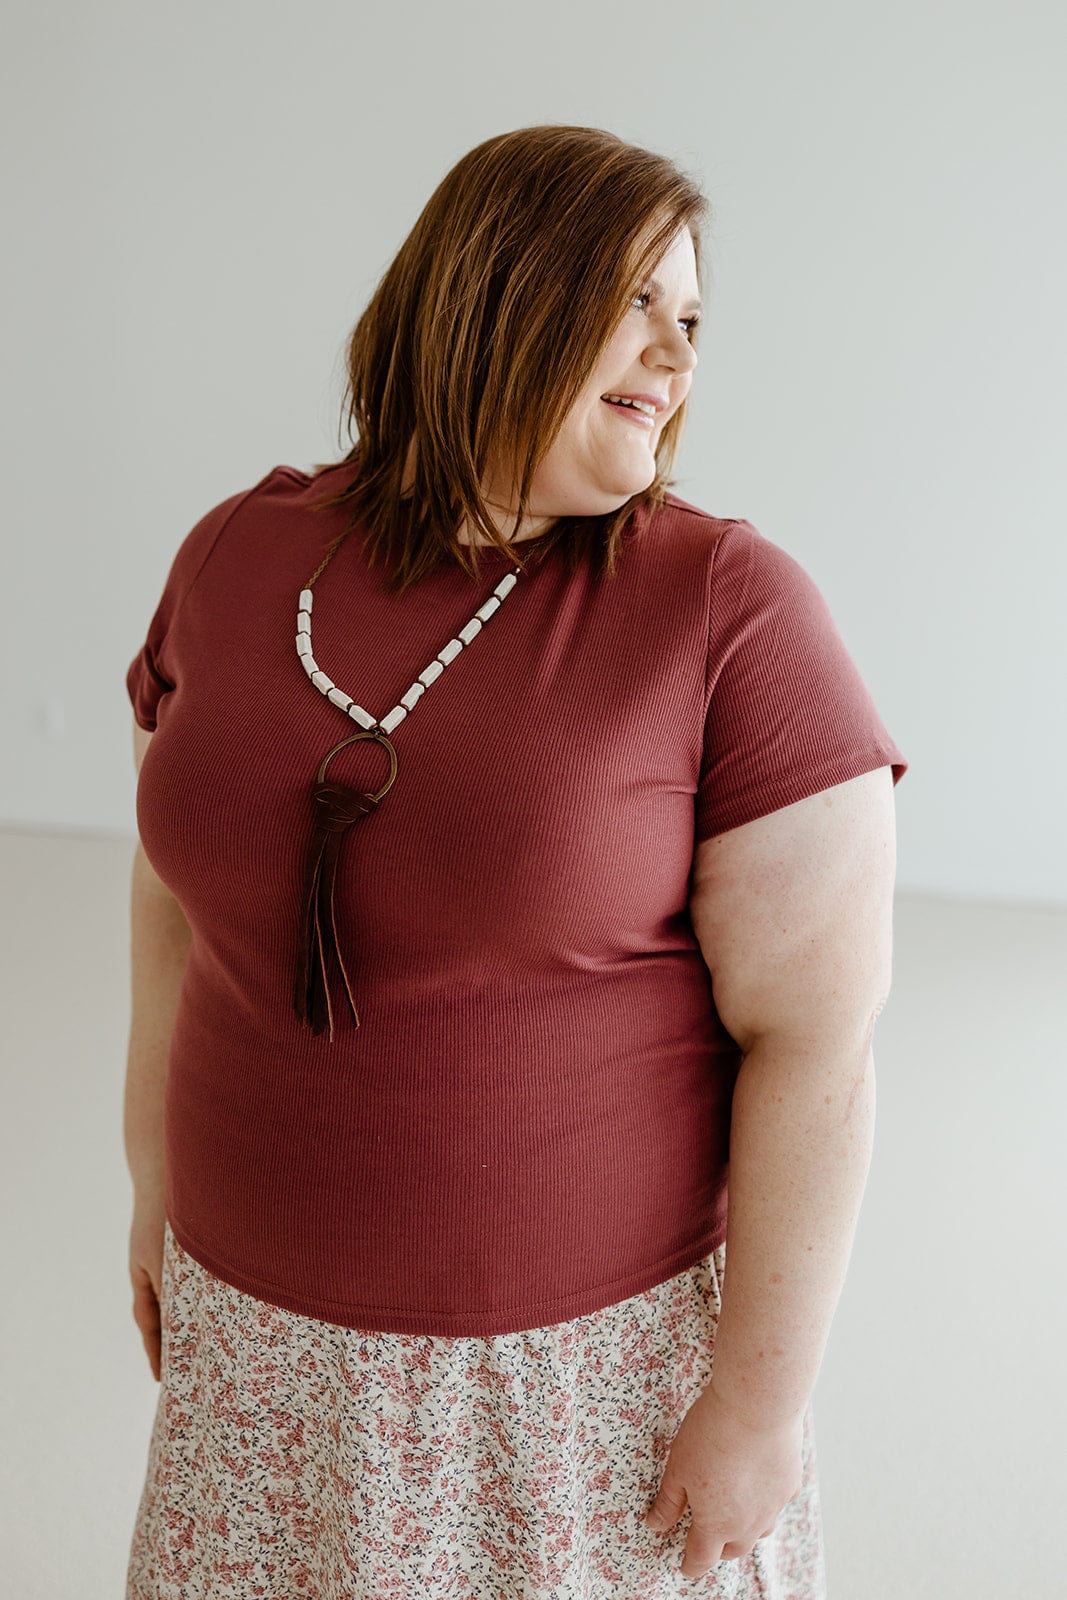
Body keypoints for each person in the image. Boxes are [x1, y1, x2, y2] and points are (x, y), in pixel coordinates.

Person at [123, 124, 908, 1598]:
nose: (675, 354)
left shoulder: (731, 611)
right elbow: (174, 900)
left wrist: (760, 1405)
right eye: (636, 301)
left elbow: (817, 1041)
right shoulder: (237, 553)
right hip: (259, 1352)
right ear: (489, 291)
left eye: (694, 319)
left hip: (560, 1395)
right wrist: (152, 1179)